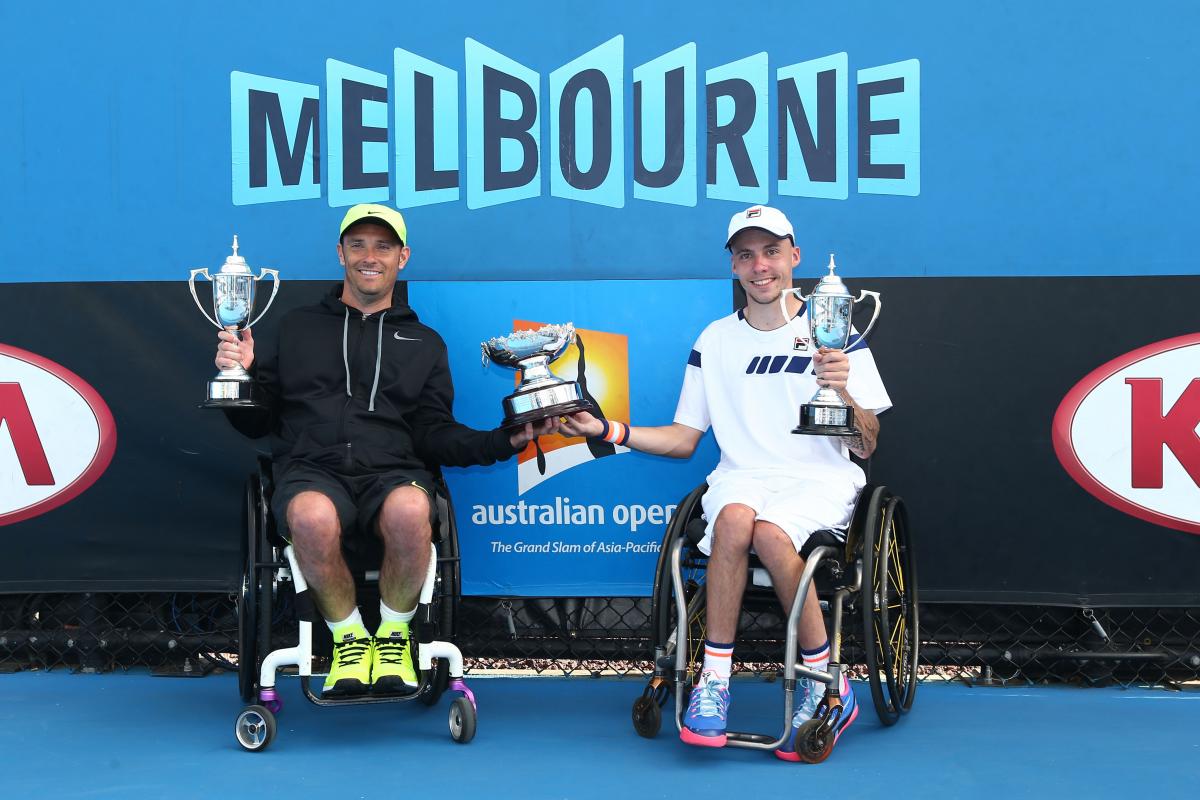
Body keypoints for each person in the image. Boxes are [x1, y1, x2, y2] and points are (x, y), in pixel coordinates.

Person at [558, 205, 890, 759]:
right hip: (743, 476)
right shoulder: (714, 339)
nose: (760, 266)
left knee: (769, 534)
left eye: (771, 252)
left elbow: (869, 441)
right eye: (746, 255)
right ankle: (714, 682)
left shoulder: (834, 327)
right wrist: (608, 428)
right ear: (733, 265)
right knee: (736, 519)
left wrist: (845, 392)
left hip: (819, 479)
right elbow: (685, 438)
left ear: (794, 257)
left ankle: (824, 685)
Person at [216, 204, 557, 696]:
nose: (369, 256)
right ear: (340, 254)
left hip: (393, 474)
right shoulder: (296, 328)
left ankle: (395, 638)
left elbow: (435, 434)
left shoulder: (424, 342)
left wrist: (503, 441)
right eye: (357, 245)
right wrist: (241, 380)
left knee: (412, 506)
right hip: (312, 471)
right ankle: (350, 641)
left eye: (383, 246)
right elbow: (258, 422)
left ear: (403, 256)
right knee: (310, 517)